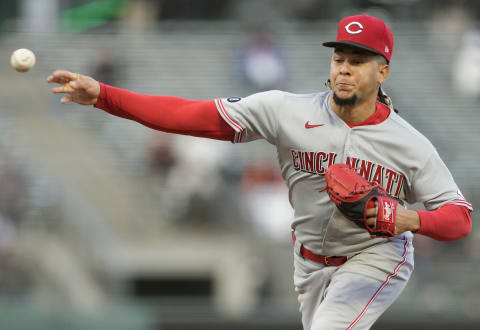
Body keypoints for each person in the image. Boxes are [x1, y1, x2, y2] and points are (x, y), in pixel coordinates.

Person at [47, 15, 473, 330]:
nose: (343, 68)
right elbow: (189, 115)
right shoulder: (286, 110)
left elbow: (459, 217)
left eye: (358, 61)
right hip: (308, 260)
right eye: (339, 58)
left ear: (382, 71)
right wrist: (104, 95)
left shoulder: (409, 143)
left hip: (376, 255)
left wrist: (409, 219)